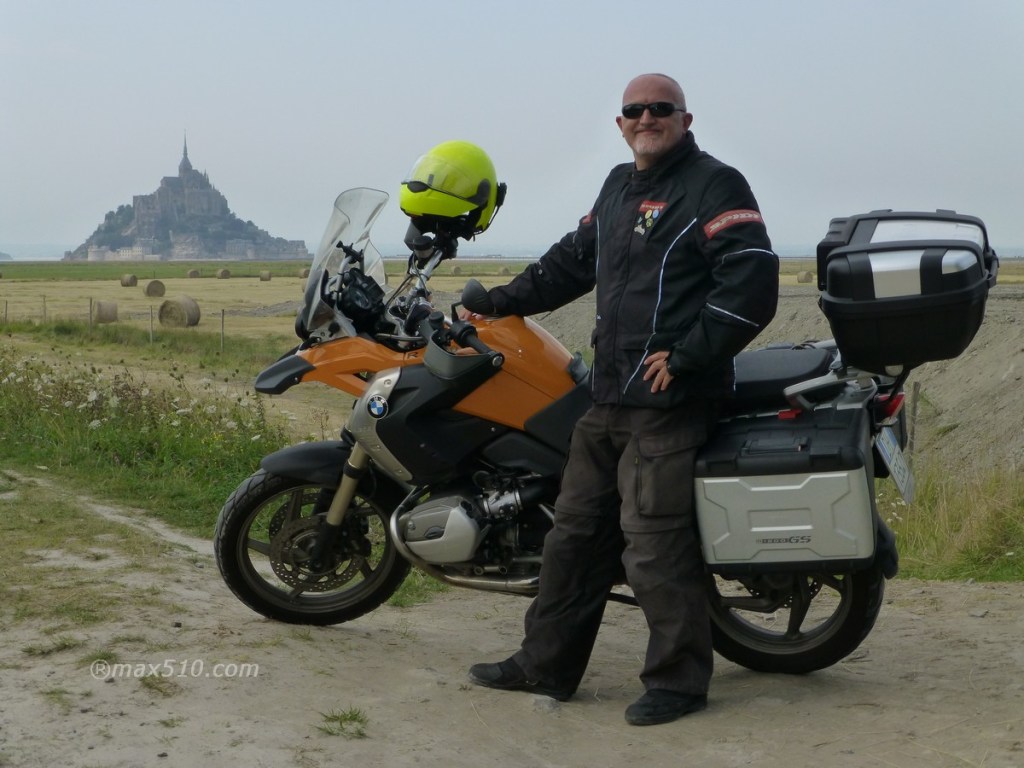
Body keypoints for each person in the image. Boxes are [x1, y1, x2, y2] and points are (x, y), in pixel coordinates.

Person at [464, 73, 780, 726]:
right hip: (607, 398)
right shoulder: (616, 188)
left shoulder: (715, 185)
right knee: (573, 538)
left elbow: (752, 280)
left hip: (671, 403)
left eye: (659, 109)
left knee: (654, 545)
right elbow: (572, 262)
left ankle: (678, 682)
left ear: (685, 120)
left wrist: (689, 354)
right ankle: (543, 664)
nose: (646, 118)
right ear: (620, 123)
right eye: (634, 110)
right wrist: (499, 302)